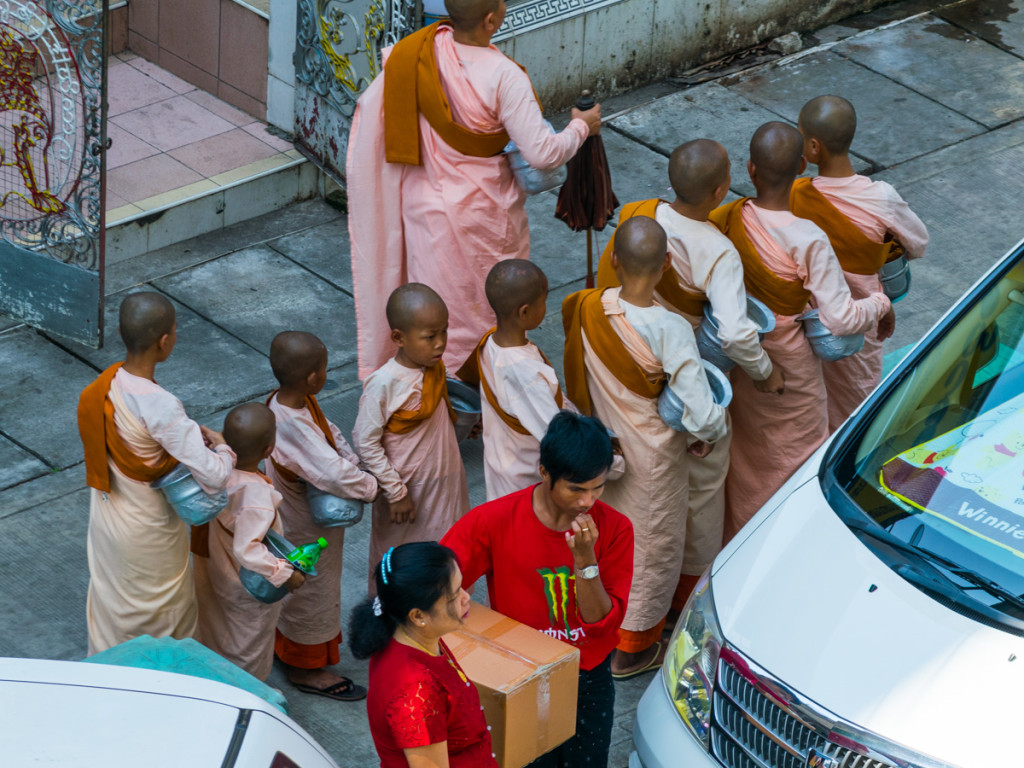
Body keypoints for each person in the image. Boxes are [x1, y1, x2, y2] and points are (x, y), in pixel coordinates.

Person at [346, 0, 602, 378]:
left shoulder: (418, 51)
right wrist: (582, 127)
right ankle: (481, 390)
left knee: (434, 306)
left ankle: (438, 390)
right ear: (492, 19)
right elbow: (543, 153)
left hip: (424, 207)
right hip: (481, 215)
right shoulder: (503, 76)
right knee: (484, 309)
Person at [595, 138, 785, 618]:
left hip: (627, 357)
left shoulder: (640, 216)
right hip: (686, 374)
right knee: (701, 492)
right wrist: (764, 373)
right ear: (722, 189)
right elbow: (739, 334)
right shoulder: (718, 251)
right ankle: (682, 600)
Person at [709, 121, 892, 541]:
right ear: (802, 168)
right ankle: (785, 542)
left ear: (750, 169)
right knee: (796, 457)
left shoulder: (733, 217)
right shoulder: (807, 237)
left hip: (744, 361)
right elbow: (842, 319)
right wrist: (880, 303)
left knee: (749, 457)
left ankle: (738, 538)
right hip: (790, 369)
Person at [562, 216, 727, 678]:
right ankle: (630, 648)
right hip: (654, 459)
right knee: (650, 547)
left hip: (607, 451)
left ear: (613, 259)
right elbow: (698, 405)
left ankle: (601, 623)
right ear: (668, 265)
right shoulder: (670, 327)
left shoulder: (590, 306)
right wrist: (709, 432)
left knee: (611, 541)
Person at [441, 412, 633, 768]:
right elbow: (436, 585)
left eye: (598, 487)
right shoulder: (493, 521)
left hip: (588, 675)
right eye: (576, 488)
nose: (588, 501)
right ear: (545, 472)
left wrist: (585, 562)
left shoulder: (617, 529)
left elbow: (601, 624)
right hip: (521, 676)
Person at [76, 292, 236, 654]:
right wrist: (223, 446)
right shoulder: (160, 405)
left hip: (110, 520)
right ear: (165, 341)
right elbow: (214, 476)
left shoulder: (106, 385)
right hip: (149, 532)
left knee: (114, 607)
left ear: (121, 332)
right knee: (164, 617)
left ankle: (108, 677)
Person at [793, 95, 929, 430]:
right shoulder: (880, 196)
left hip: (810, 314)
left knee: (813, 393)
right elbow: (919, 242)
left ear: (812, 147)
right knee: (856, 396)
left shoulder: (797, 193)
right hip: (864, 314)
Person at [266, 331, 379, 701]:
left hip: (298, 517)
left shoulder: (288, 403)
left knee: (302, 590)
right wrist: (370, 485)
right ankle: (304, 667)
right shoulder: (291, 424)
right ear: (314, 378)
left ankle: (287, 649)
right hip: (306, 528)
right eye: (325, 368)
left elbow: (330, 437)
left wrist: (353, 461)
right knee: (312, 591)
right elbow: (330, 471)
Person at [458, 259, 623, 499]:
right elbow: (560, 438)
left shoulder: (491, 343)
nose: (546, 307)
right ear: (525, 312)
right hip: (526, 482)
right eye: (543, 302)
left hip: (503, 465)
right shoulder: (525, 375)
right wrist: (614, 463)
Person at [354, 284, 470, 576]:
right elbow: (365, 441)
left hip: (444, 485)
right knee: (402, 563)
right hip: (408, 491)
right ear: (399, 338)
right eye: (430, 336)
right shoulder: (384, 383)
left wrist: (464, 421)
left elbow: (438, 407)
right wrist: (396, 492)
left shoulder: (433, 368)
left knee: (445, 552)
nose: (440, 343)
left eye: (444, 331)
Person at [350, 542, 497, 768]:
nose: (466, 598)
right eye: (454, 595)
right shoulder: (416, 693)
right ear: (418, 616)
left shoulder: (415, 637)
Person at [194, 403, 305, 681]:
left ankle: (216, 681)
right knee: (248, 642)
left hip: (214, 566)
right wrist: (285, 575)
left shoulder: (215, 470)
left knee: (216, 627)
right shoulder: (255, 495)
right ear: (269, 450)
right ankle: (250, 694)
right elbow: (248, 549)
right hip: (245, 584)